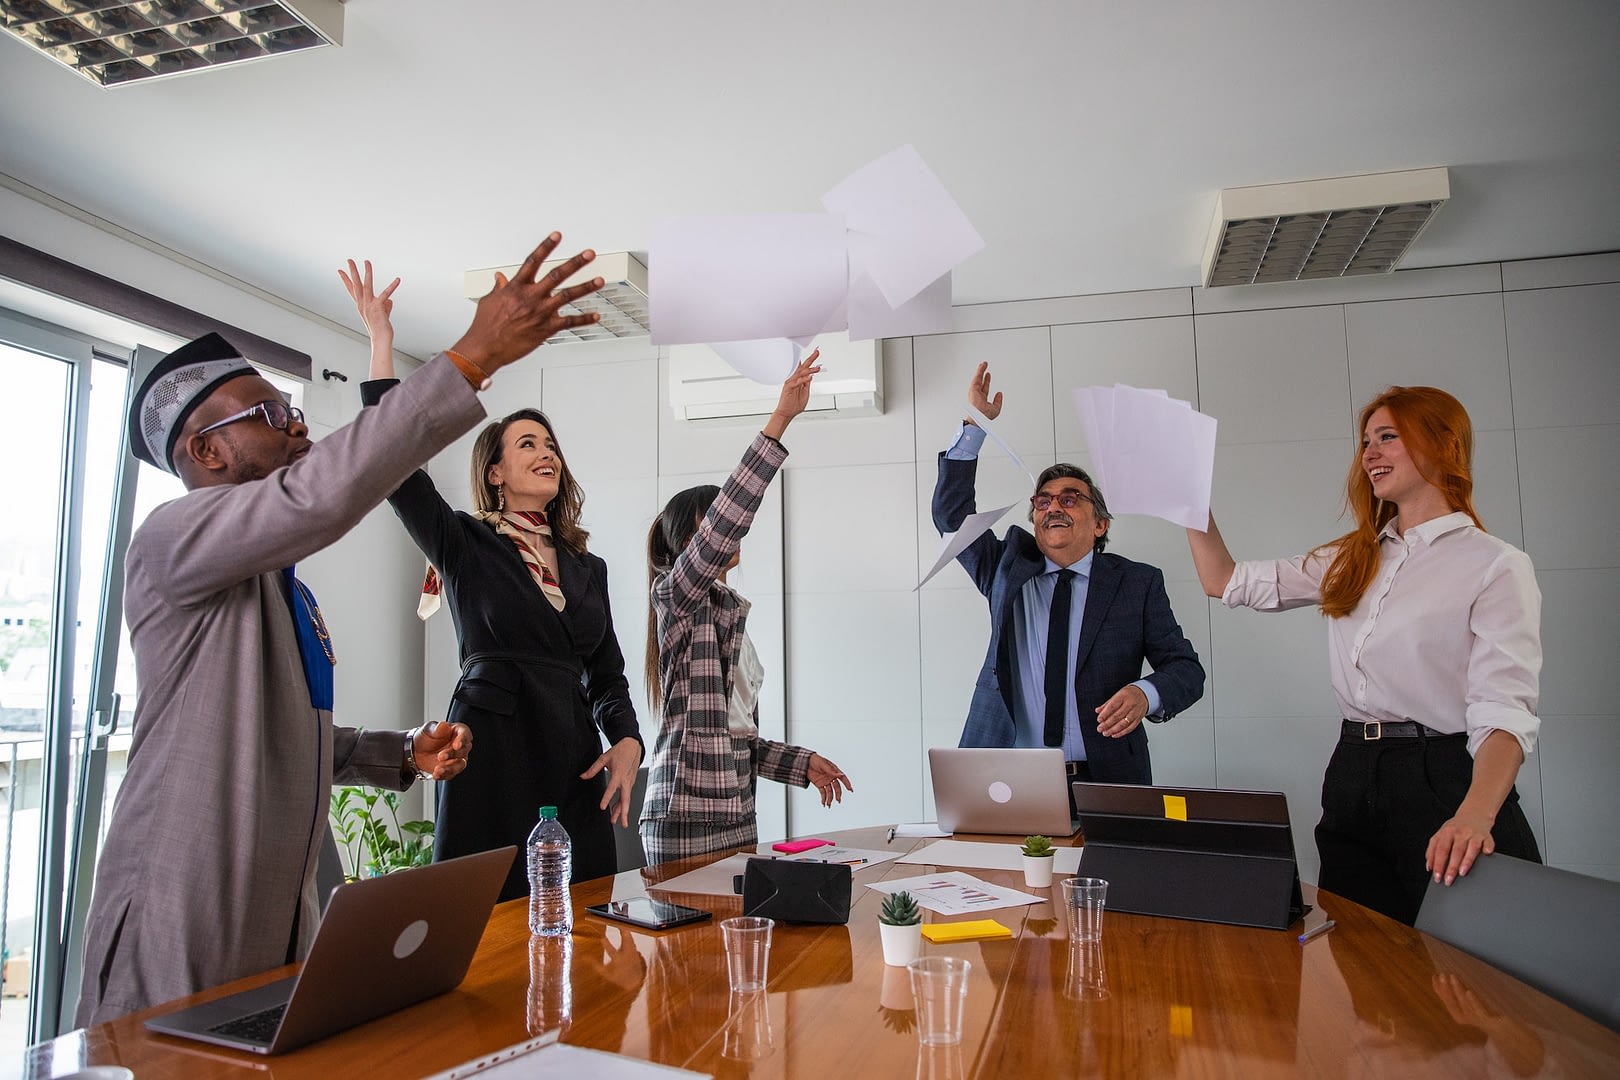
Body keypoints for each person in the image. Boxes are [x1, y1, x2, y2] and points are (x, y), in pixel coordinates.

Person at [77, 234, 603, 1025]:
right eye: (273, 413)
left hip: (282, 902)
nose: (298, 429)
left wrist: (394, 750)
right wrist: (467, 358)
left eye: (295, 411)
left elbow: (286, 733)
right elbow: (321, 496)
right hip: (182, 892)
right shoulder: (171, 537)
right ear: (205, 451)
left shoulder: (271, 579)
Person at [1185, 385, 1542, 926]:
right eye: (1366, 441)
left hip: (1442, 774)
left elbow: (1504, 714)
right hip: (1353, 771)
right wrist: (1188, 502)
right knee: (1363, 957)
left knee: (1473, 973)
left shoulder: (1494, 565)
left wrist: (1474, 813)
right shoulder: (1354, 557)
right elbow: (1224, 580)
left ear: (1444, 445)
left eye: (1388, 437)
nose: (1369, 452)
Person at [345, 260, 642, 900]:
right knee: (487, 916)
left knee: (587, 912)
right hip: (494, 748)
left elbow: (608, 673)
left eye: (552, 446)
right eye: (528, 444)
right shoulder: (465, 544)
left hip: (572, 755)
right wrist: (380, 346)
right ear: (496, 473)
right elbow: (395, 468)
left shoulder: (590, 569)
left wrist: (625, 738)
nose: (547, 454)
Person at [933, 362, 1205, 791]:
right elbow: (951, 516)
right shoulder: (1004, 567)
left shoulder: (1137, 583)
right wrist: (975, 423)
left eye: (1070, 498)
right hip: (1006, 776)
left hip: (1107, 779)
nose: (1053, 506)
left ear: (1101, 524)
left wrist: (1144, 693)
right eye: (1043, 501)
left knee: (1102, 863)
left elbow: (1186, 670)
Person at [638, 352, 853, 865]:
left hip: (735, 812)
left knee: (735, 945)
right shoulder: (676, 596)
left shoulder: (729, 609)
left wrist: (801, 764)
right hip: (683, 814)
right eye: (709, 523)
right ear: (684, 544)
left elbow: (733, 740)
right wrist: (779, 421)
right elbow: (724, 526)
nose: (728, 531)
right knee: (687, 948)